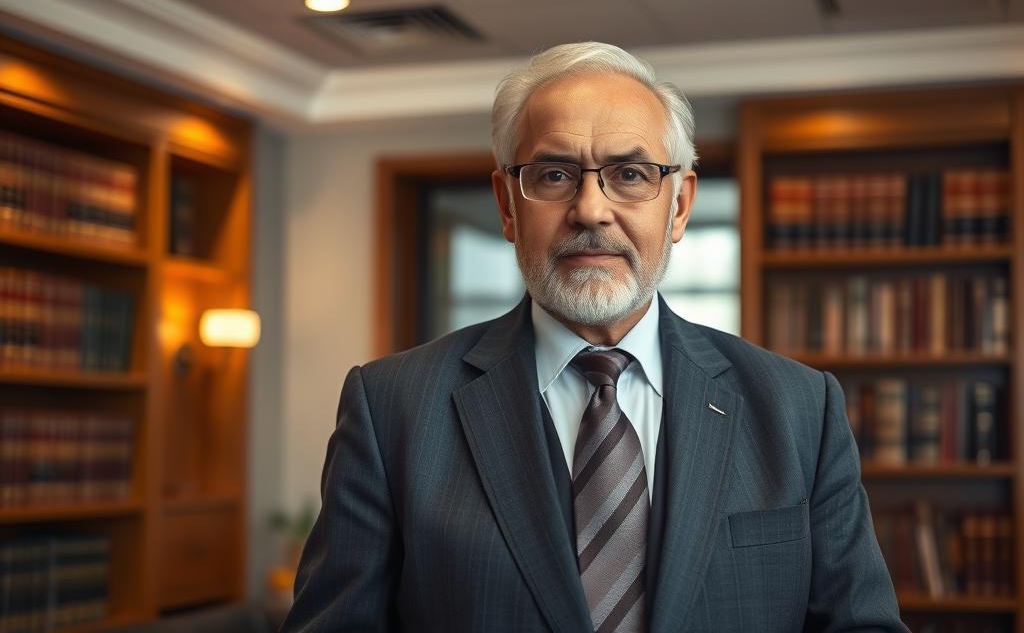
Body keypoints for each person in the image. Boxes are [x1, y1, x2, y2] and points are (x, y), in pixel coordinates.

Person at [280, 42, 908, 633]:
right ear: (506, 204)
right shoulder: (392, 408)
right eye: (554, 175)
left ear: (680, 204)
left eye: (630, 173)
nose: (590, 209)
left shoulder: (800, 408)